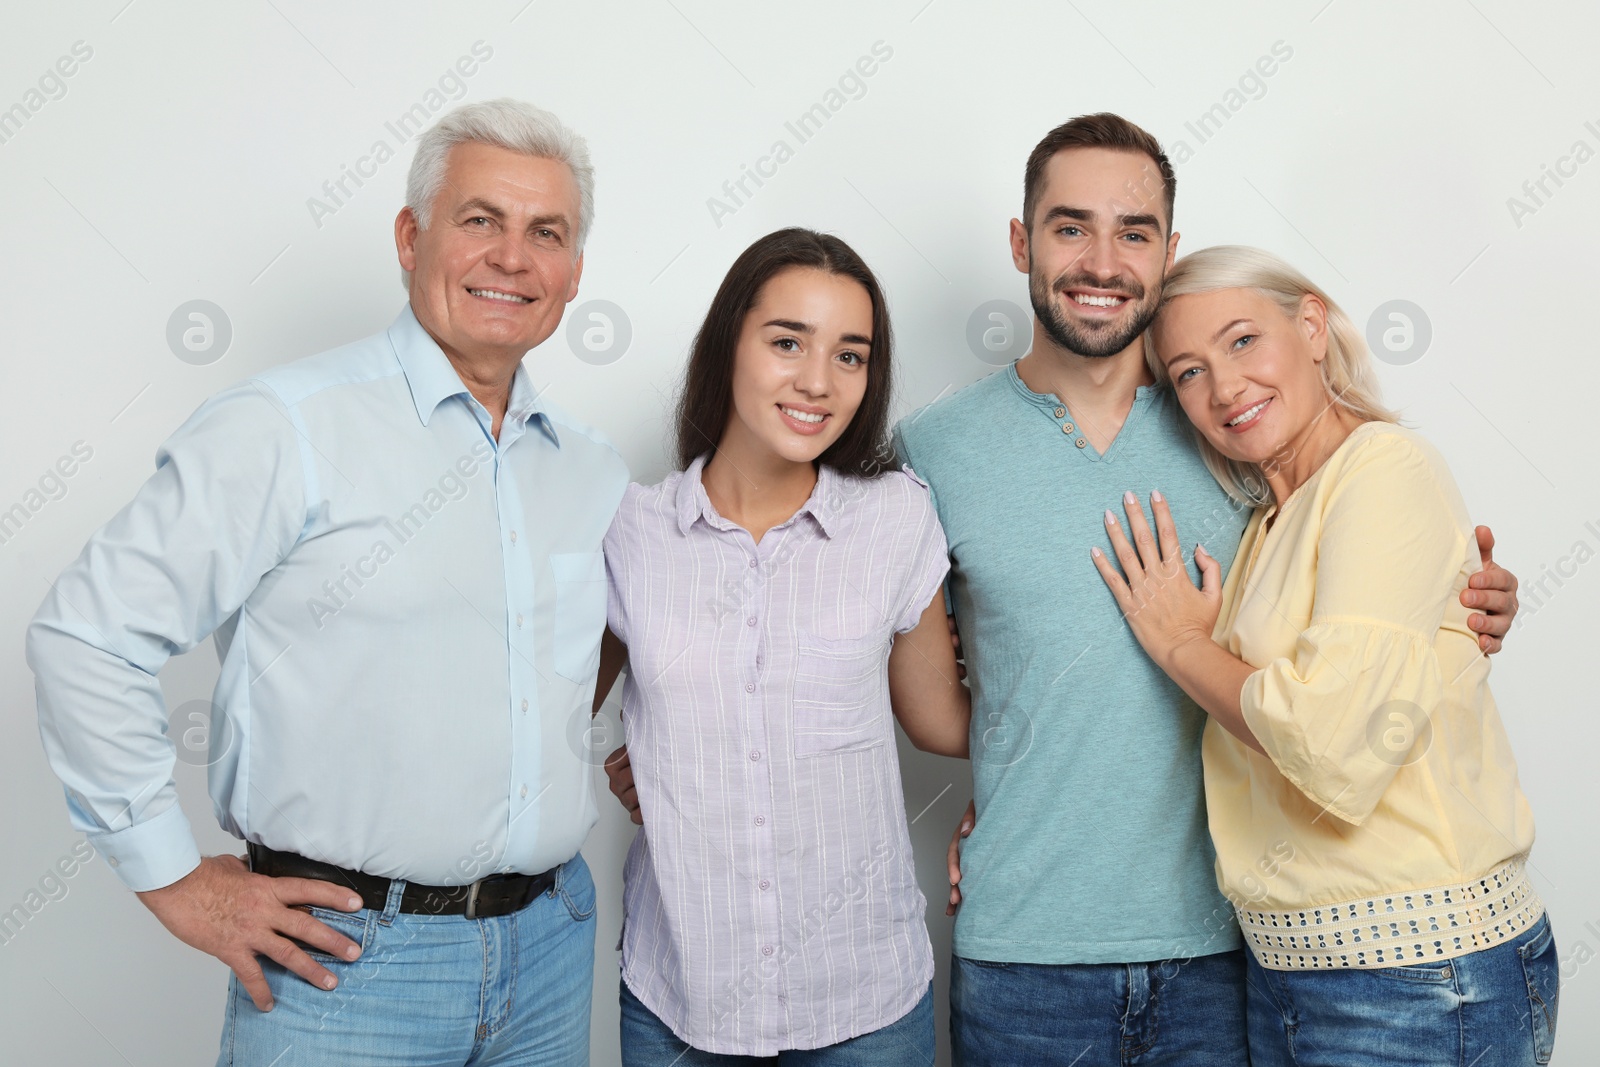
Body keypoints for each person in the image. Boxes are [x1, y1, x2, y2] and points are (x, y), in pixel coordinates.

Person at [896, 114, 1525, 1064]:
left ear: (1168, 253)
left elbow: (1356, 593)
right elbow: (950, 707)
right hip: (1026, 955)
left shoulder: (1233, 429)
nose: (1102, 260)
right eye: (1069, 227)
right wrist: (1022, 775)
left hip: (1233, 954)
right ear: (1022, 242)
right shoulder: (936, 451)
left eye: (1134, 232)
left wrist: (1461, 601)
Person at [26, 99, 622, 1066]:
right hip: (348, 966)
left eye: (544, 233)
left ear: (573, 274)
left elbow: (575, 657)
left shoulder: (591, 470)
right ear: (410, 235)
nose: (512, 257)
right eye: (480, 220)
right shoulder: (285, 427)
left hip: (550, 949)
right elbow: (86, 636)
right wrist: (173, 877)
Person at [1092, 244, 1557, 1067]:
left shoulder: (1383, 467)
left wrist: (1181, 642)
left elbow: (1333, 736)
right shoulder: (1270, 519)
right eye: (1190, 372)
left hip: (1420, 976)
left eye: (1242, 342)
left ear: (1311, 326)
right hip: (1290, 976)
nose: (1225, 387)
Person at [595, 228, 968, 1064]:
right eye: (788, 341)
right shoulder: (630, 531)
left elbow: (944, 723)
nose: (817, 381)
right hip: (679, 1000)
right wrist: (653, 761)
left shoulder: (895, 518)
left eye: (850, 354)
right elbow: (540, 720)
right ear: (729, 340)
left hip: (865, 1003)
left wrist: (1021, 799)